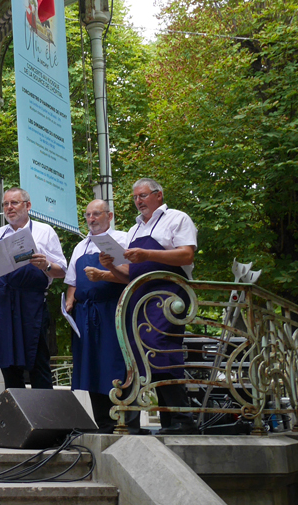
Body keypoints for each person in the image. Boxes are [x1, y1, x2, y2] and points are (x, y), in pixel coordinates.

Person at [95, 178, 199, 435]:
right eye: (135, 198)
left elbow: (186, 254)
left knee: (162, 350)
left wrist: (148, 254)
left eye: (142, 196)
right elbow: (128, 274)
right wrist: (109, 266)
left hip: (168, 294)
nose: (138, 201)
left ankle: (183, 419)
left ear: (158, 195)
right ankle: (162, 421)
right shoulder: (133, 230)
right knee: (139, 355)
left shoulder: (177, 218)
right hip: (140, 298)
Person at [0, 187, 67, 389]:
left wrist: (47, 266)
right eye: (5, 204)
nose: (9, 208)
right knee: (8, 367)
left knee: (38, 364)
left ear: (28, 205)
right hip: (2, 307)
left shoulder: (45, 231)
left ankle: (43, 418)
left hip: (31, 306)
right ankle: (17, 417)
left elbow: (63, 271)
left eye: (14, 203)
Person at [64, 199, 130, 433]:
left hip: (112, 310)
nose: (91, 219)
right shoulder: (80, 247)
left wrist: (103, 274)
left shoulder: (122, 239)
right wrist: (70, 300)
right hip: (85, 314)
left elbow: (130, 275)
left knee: (115, 364)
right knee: (91, 367)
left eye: (96, 214)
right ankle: (102, 421)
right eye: (88, 215)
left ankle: (122, 421)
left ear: (109, 216)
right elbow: (72, 281)